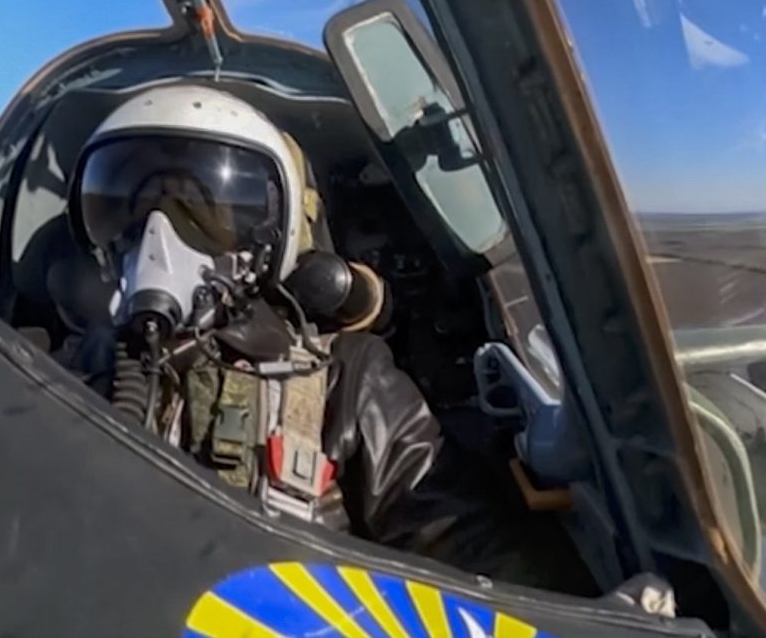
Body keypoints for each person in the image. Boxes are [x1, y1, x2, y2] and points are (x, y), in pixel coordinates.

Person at [55, 82, 575, 585]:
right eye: (128, 208)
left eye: (203, 212)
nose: (158, 240)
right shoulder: (57, 378)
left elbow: (471, 550)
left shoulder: (343, 380)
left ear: (271, 238)